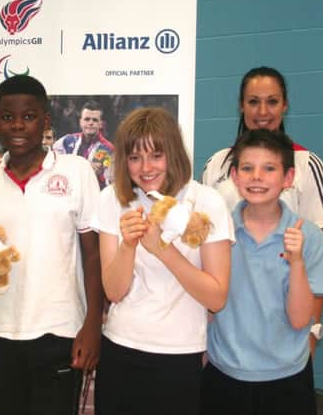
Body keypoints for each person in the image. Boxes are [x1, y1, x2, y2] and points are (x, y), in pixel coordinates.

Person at [0, 75, 103, 414]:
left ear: (46, 120)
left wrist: (92, 324)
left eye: (28, 116)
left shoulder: (76, 171)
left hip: (61, 329)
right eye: (7, 116)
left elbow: (93, 253)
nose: (17, 126)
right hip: (3, 331)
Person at [93, 107, 234, 414]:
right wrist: (128, 246)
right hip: (120, 347)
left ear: (173, 154)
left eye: (156, 155)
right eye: (134, 157)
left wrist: (163, 250)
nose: (145, 167)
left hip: (179, 354)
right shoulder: (111, 200)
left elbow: (217, 297)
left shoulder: (206, 201)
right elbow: (113, 292)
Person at [201, 66, 323, 355]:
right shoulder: (217, 164)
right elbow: (202, 244)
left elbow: (315, 257)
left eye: (272, 101)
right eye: (253, 101)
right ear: (241, 106)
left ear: (285, 105)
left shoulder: (305, 164)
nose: (262, 111)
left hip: (284, 327)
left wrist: (310, 337)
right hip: (226, 327)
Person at [201, 129, 323, 415]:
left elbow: (301, 320)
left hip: (287, 379)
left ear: (288, 178)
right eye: (247, 168)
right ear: (235, 177)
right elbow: (208, 305)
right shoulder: (216, 232)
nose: (257, 177)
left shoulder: (310, 238)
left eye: (269, 168)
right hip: (224, 374)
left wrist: (296, 262)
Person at [53, 100, 114, 189]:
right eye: (87, 119)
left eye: (95, 120)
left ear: (101, 124)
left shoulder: (108, 149)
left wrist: (100, 175)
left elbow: (110, 182)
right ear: (80, 122)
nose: (90, 123)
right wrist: (85, 166)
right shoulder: (66, 141)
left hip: (94, 196)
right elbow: (52, 161)